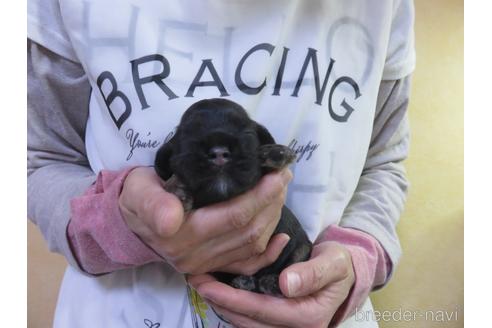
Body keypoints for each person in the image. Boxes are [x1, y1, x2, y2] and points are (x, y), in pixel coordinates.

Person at [27, 0, 415, 327]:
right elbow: (39, 161)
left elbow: (382, 162)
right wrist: (113, 220)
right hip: (122, 311)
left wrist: (356, 262)